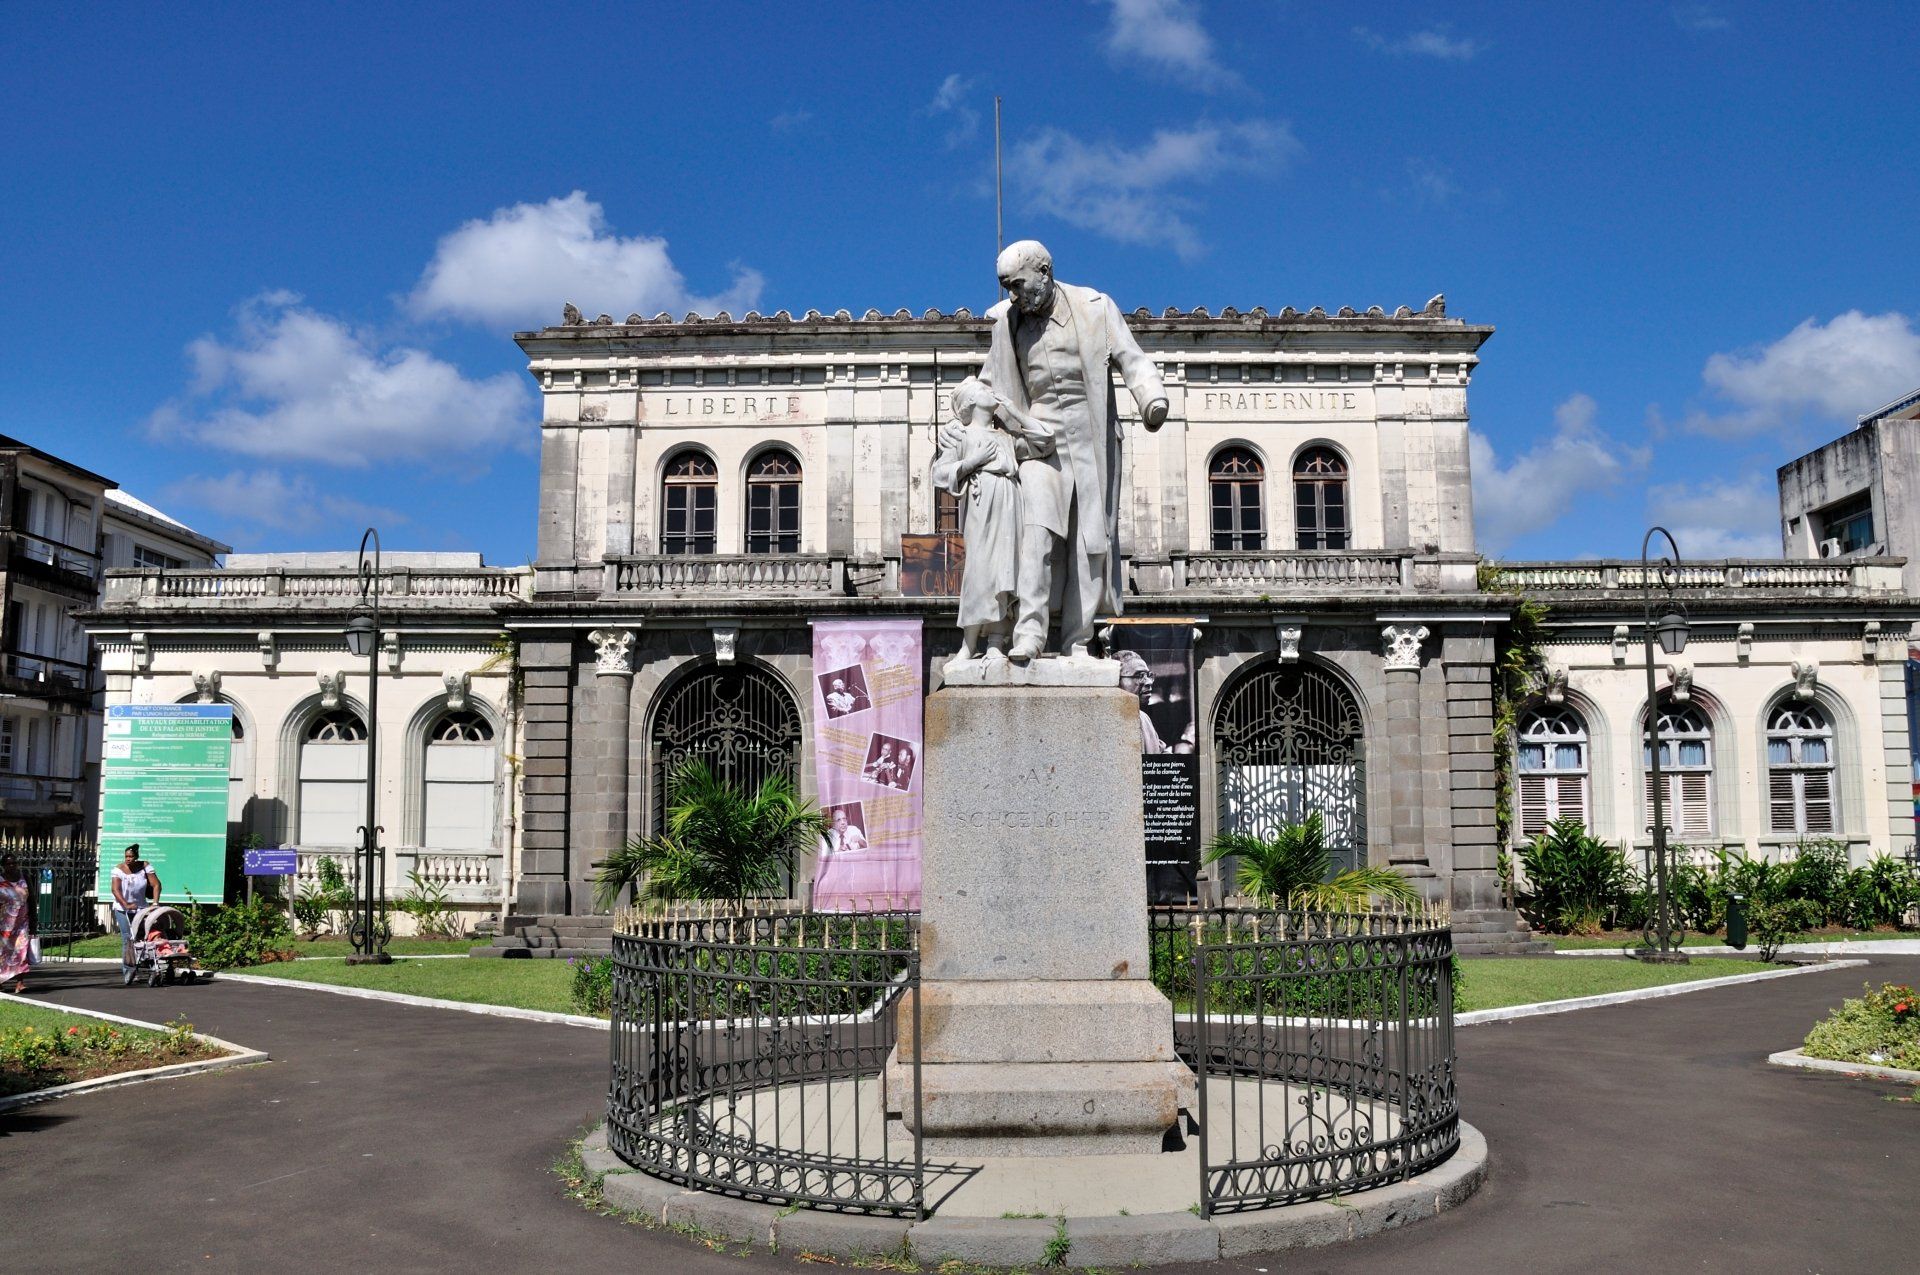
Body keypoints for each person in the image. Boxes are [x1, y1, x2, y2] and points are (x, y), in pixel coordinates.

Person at [976, 240, 1169, 660]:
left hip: (1089, 437)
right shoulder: (1007, 325)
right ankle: (1030, 632)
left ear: (1044, 272)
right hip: (1037, 440)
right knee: (1036, 533)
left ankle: (1078, 640)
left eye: (1019, 285)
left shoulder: (1095, 307)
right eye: (1006, 287)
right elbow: (989, 384)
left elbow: (1132, 359)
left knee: (1088, 543)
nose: (1013, 296)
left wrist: (1151, 399)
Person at [932, 376, 1051, 665]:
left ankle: (997, 642)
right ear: (972, 401)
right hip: (981, 499)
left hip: (1011, 499)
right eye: (984, 389)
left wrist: (1015, 412)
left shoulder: (1006, 437)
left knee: (1006, 570)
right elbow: (939, 473)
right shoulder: (960, 436)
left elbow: (1045, 442)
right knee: (980, 570)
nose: (992, 392)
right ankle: (969, 644)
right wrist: (972, 461)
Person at [110, 844, 160, 979]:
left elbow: (156, 885)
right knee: (128, 939)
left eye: (131, 857)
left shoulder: (144, 866)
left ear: (136, 857)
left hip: (141, 908)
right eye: (126, 856)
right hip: (122, 909)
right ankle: (129, 969)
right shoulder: (118, 869)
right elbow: (115, 890)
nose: (128, 859)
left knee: (144, 938)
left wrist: (155, 903)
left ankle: (149, 966)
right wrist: (125, 904)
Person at [1116, 651, 1169, 754]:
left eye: (1149, 675)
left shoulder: (1144, 718)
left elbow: (1160, 751)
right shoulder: (1107, 718)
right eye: (1139, 675)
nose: (1149, 682)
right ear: (1117, 681)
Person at [0, 851, 34, 994]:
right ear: (3, 866)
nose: (12, 866)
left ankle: (20, 983)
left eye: (14, 863)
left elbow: (32, 900)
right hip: (3, 924)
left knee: (21, 952)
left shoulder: (24, 878)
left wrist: (34, 922)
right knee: (2, 953)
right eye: (8, 863)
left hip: (22, 924)